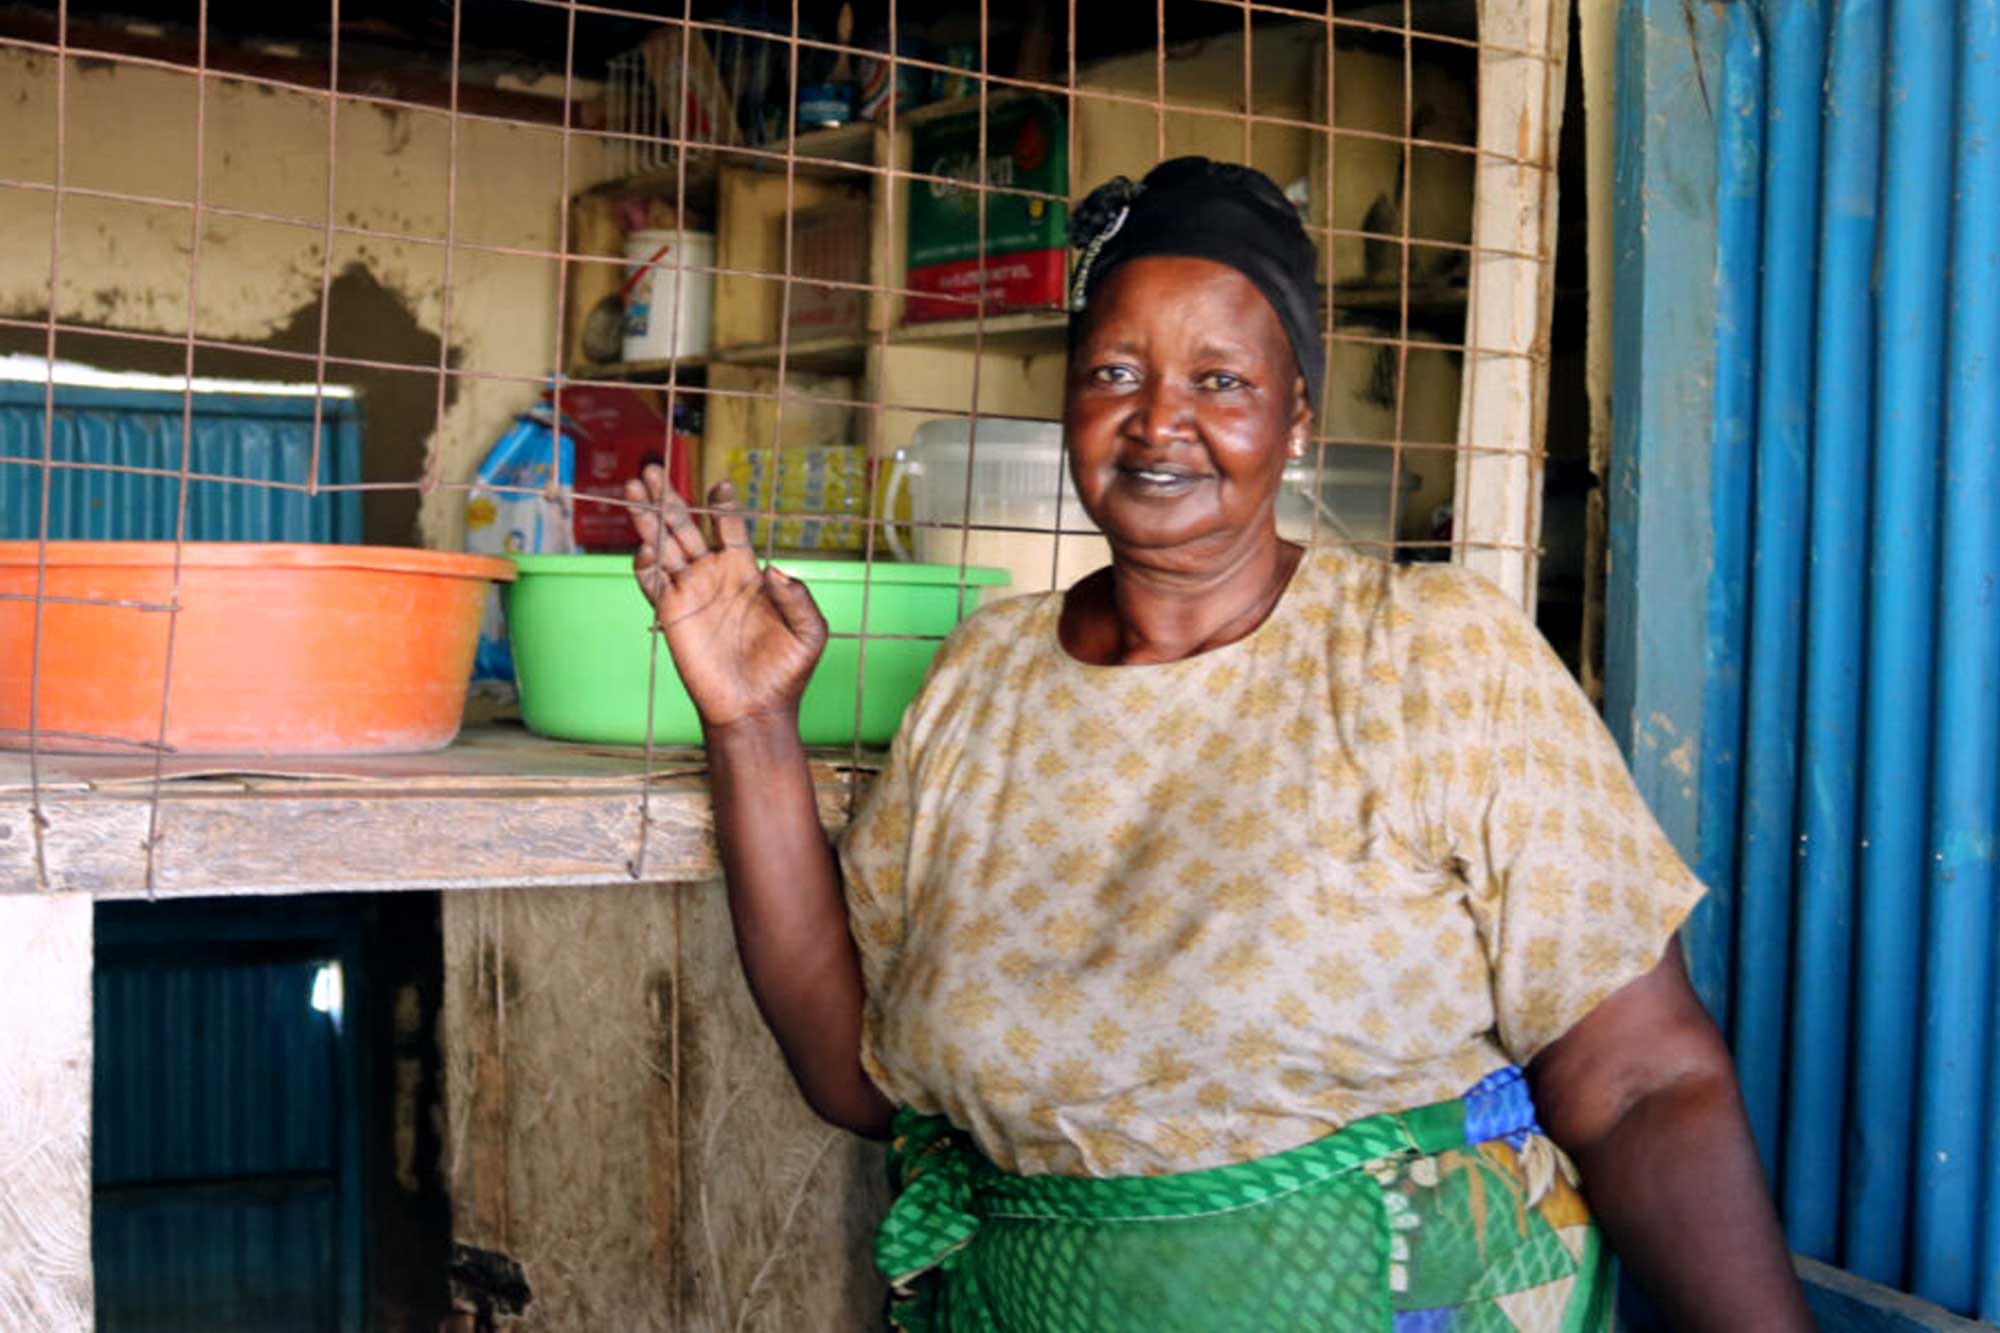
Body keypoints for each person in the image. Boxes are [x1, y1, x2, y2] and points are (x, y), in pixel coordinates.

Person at [625, 157, 1811, 1332]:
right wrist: (749, 724)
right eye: (1116, 372)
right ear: (1070, 403)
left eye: (1220, 379)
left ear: (1294, 415)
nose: (1160, 423)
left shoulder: (1429, 656)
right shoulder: (979, 680)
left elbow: (1641, 1079)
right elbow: (854, 1075)